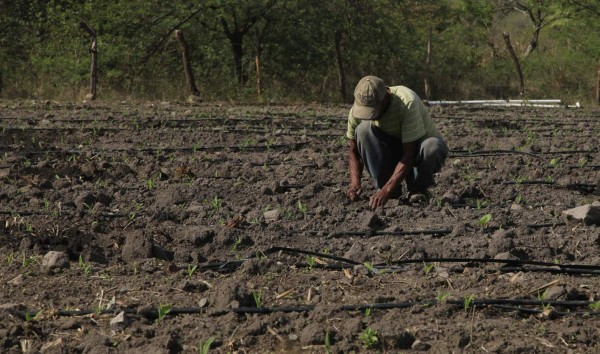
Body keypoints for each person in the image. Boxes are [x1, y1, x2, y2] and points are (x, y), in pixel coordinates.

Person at [346, 75, 448, 210]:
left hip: (417, 148)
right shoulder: (356, 110)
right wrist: (354, 184)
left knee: (432, 146)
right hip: (390, 147)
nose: (369, 115)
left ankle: (418, 190)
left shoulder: (406, 102)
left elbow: (409, 155)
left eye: (372, 111)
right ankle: (391, 191)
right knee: (363, 130)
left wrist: (386, 191)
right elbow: (353, 151)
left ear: (385, 99)